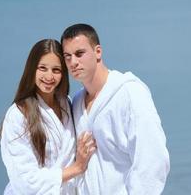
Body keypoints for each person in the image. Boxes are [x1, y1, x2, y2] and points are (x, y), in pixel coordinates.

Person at [61, 24, 170, 195]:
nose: (73, 62)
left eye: (79, 54)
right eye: (67, 56)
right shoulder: (76, 103)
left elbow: (153, 160)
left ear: (98, 52)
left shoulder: (130, 93)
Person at [0, 39, 96, 195]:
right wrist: (77, 168)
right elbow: (26, 181)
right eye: (42, 68)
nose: (49, 76)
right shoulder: (17, 115)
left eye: (56, 70)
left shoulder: (66, 104)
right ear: (32, 69)